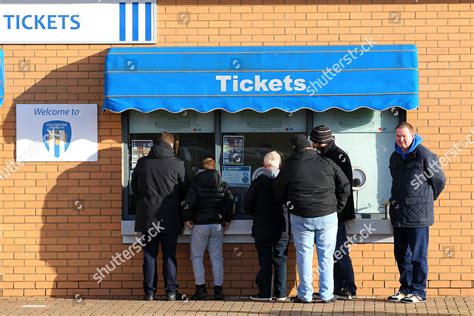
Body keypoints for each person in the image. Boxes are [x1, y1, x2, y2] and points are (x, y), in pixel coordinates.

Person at [274, 134, 350, 304]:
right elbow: (345, 185)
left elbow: (277, 190)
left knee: (304, 255)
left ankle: (305, 295)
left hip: (301, 215)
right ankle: (326, 294)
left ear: (295, 149)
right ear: (310, 146)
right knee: (326, 256)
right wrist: (337, 207)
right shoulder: (327, 162)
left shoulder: (291, 165)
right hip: (327, 216)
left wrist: (288, 203)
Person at [387, 122, 445, 303]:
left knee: (418, 256)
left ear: (413, 136)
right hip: (399, 213)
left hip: (418, 216)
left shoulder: (424, 155)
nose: (401, 139)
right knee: (401, 254)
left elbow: (439, 181)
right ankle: (405, 288)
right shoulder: (394, 157)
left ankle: (419, 291)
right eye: (398, 136)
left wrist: (425, 200)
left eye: (404, 136)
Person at [131, 133, 187, 301]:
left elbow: (135, 188)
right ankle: (170, 292)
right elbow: (185, 189)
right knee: (169, 255)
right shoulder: (177, 164)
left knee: (149, 256)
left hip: (147, 217)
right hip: (170, 217)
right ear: (171, 145)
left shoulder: (142, 163)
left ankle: (149, 292)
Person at [310, 125, 357, 300]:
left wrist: (339, 210)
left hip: (337, 213)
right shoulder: (322, 155)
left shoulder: (339, 157)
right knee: (331, 252)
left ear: (321, 141)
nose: (312, 144)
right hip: (327, 212)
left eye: (314, 141)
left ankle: (349, 287)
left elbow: (344, 187)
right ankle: (336, 288)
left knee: (339, 250)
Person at [182, 158, 235, 300]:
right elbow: (230, 202)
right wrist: (227, 219)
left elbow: (189, 202)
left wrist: (187, 218)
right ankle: (218, 291)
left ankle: (201, 289)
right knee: (217, 258)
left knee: (197, 256)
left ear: (201, 168)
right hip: (217, 224)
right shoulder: (222, 184)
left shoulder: (195, 183)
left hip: (200, 224)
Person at [244, 151, 290, 302]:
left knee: (265, 261)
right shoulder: (285, 182)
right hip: (282, 229)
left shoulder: (257, 183)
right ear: (280, 165)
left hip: (262, 228)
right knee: (280, 260)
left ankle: (265, 293)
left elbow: (247, 206)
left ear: (264, 165)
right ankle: (281, 293)